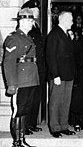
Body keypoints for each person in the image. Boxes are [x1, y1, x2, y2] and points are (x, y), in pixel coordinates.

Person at [2, 8, 39, 147]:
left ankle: (22, 140)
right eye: (29, 21)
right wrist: (11, 84)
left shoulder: (28, 37)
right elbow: (8, 63)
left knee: (25, 111)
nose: (31, 23)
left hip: (30, 79)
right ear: (21, 22)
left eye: (32, 20)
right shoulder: (13, 38)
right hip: (20, 81)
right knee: (18, 111)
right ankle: (16, 143)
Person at [46, 11, 76, 138]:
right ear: (63, 20)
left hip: (68, 74)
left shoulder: (66, 34)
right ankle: (55, 127)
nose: (73, 22)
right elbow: (50, 56)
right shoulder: (54, 34)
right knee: (56, 101)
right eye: (71, 20)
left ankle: (63, 126)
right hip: (58, 75)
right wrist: (55, 75)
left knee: (65, 102)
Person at [21, 0, 46, 135]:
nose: (37, 12)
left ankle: (32, 123)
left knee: (36, 97)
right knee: (28, 98)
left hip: (39, 67)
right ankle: (24, 126)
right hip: (31, 67)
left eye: (37, 10)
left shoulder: (36, 26)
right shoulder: (25, 29)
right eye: (34, 10)